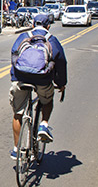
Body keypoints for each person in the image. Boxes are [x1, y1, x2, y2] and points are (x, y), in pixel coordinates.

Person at [9, 14, 67, 160]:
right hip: (43, 79)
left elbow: (14, 55)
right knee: (47, 101)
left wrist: (14, 76)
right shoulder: (52, 39)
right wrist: (61, 84)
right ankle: (44, 124)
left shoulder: (23, 36)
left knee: (18, 113)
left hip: (21, 78)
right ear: (48, 26)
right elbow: (61, 63)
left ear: (34, 24)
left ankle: (16, 150)